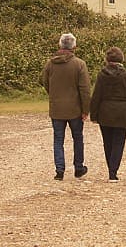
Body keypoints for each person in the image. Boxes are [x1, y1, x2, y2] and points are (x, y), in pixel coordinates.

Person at [40, 33, 91, 180]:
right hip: (75, 109)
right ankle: (79, 167)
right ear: (74, 47)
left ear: (60, 45)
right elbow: (85, 89)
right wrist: (85, 109)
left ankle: (60, 170)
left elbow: (44, 82)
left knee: (58, 139)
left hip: (56, 108)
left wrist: (54, 94)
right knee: (78, 138)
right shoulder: (80, 64)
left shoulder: (50, 64)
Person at [89, 46, 126, 181]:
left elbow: (96, 96)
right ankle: (113, 171)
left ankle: (111, 169)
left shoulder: (101, 76)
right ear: (121, 59)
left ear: (107, 60)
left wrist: (93, 114)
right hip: (122, 112)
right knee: (119, 142)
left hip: (105, 112)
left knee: (108, 142)